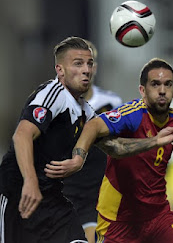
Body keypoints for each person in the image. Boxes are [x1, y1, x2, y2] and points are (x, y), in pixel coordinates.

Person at [0, 37, 173, 243]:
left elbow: (115, 147)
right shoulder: (53, 94)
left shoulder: (85, 111)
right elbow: (22, 134)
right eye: (78, 64)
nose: (86, 70)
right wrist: (30, 181)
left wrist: (154, 141)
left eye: (89, 64)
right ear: (60, 70)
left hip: (54, 201)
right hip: (18, 197)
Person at [46, 58, 173, 242]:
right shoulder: (132, 114)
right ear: (143, 91)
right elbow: (93, 126)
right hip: (119, 221)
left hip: (158, 216)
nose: (162, 91)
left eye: (167, 84)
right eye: (155, 84)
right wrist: (78, 158)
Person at [63, 40, 122, 243]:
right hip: (62, 190)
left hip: (97, 190)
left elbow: (121, 145)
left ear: (94, 67)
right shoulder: (50, 104)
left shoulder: (111, 103)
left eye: (89, 63)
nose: (84, 69)